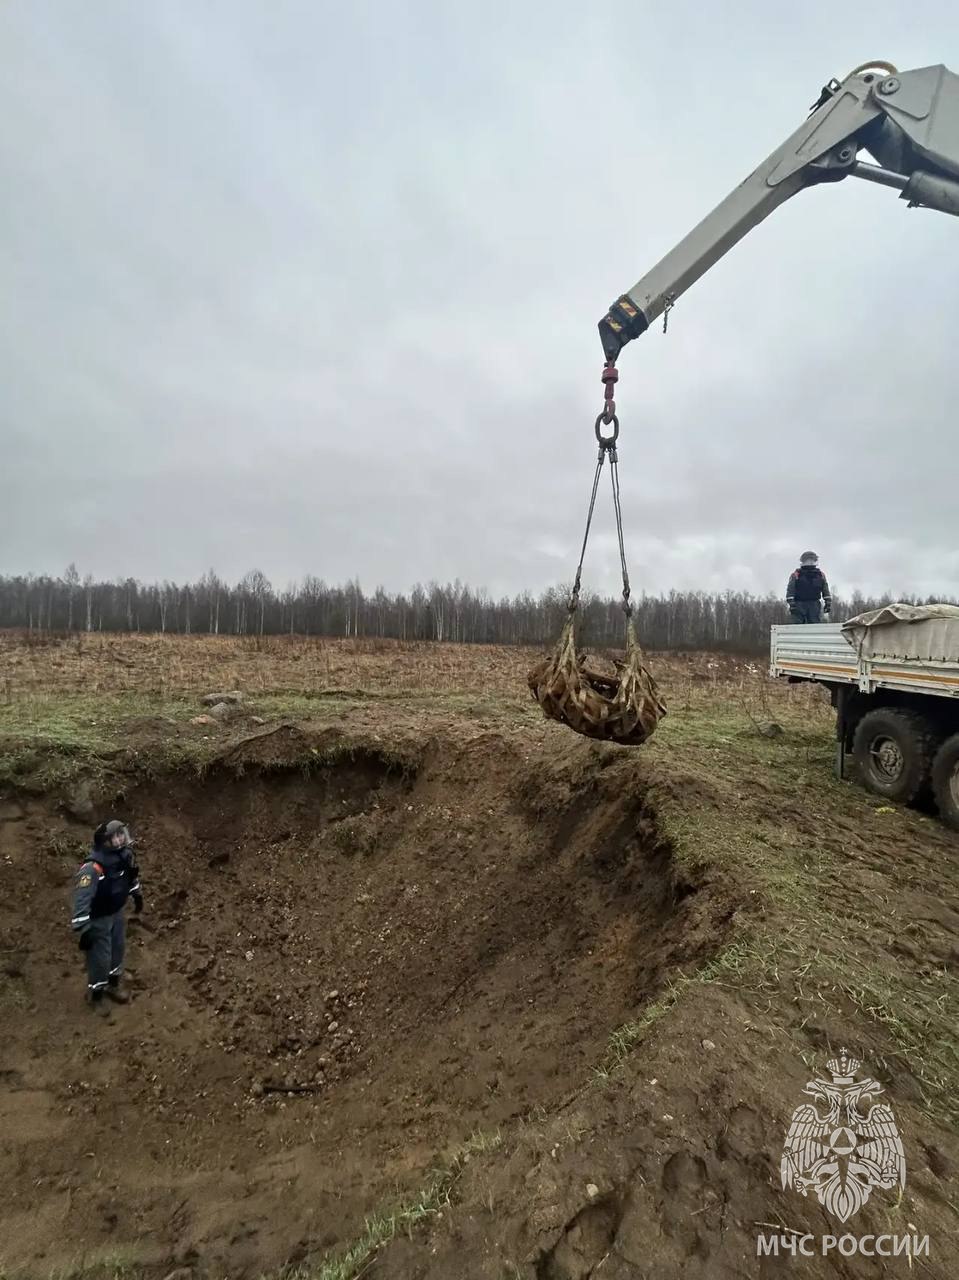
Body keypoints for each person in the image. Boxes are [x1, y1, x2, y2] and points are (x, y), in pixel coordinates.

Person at [71, 819, 143, 1015]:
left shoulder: (125, 856)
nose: (120, 839)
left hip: (116, 913)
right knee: (100, 958)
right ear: (104, 841)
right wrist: (84, 928)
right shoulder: (93, 867)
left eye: (121, 834)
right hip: (98, 918)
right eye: (114, 837)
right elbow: (82, 897)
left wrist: (137, 894)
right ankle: (95, 994)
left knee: (118, 949)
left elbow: (130, 877)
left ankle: (113, 983)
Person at [786, 551, 832, 624]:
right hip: (799, 604)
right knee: (798, 625)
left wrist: (828, 603)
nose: (810, 562)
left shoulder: (820, 575)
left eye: (812, 560)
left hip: (814, 604)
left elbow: (825, 590)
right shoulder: (796, 575)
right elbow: (790, 590)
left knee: (814, 625)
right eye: (808, 560)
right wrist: (792, 604)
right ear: (803, 561)